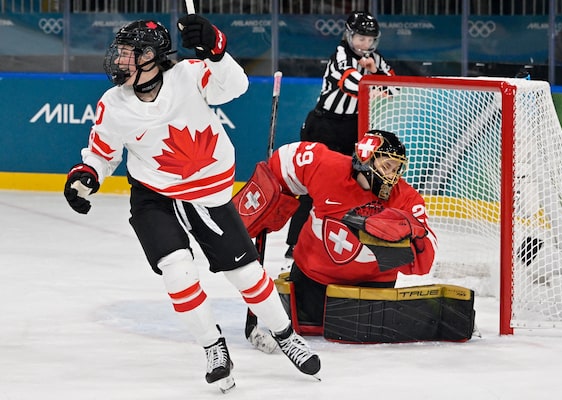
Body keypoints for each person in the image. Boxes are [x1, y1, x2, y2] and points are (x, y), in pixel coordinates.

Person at [62, 16, 320, 393]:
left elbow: (235, 86)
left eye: (130, 53)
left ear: (152, 57)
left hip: (207, 193)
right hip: (154, 197)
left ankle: (285, 335)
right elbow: (102, 153)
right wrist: (87, 174)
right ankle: (214, 348)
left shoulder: (189, 75)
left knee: (246, 274)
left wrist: (216, 50)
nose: (120, 61)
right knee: (178, 272)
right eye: (120, 53)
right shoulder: (113, 104)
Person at [265, 130, 437, 325]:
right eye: (387, 166)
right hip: (312, 282)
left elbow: (424, 262)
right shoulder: (326, 166)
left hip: (371, 292)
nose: (391, 176)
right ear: (366, 157)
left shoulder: (407, 199)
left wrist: (411, 236)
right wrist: (269, 199)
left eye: (396, 169)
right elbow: (283, 160)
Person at [285, 10, 396, 259]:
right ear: (349, 35)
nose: (365, 44)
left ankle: (343, 239)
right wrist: (373, 83)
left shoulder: (376, 59)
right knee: (312, 187)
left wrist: (375, 72)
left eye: (370, 39)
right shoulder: (340, 54)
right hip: (324, 127)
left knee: (354, 185)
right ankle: (296, 244)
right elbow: (350, 83)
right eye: (360, 38)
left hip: (353, 129)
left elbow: (395, 86)